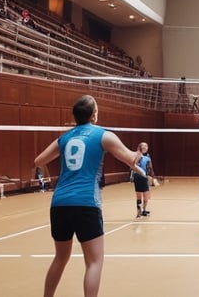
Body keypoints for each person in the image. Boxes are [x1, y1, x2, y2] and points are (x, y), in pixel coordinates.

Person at [34, 95, 146, 297]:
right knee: (94, 261)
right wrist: (137, 155)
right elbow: (131, 158)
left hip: (59, 204)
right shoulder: (104, 135)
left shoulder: (65, 137)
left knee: (60, 258)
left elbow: (39, 160)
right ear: (94, 115)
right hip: (86, 202)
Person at [133, 142, 155, 217]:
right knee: (139, 196)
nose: (145, 147)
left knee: (146, 197)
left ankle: (144, 210)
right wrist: (138, 157)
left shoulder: (148, 157)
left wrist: (153, 178)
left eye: (146, 146)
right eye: (143, 146)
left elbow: (150, 168)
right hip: (138, 177)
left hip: (145, 177)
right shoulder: (137, 155)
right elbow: (132, 166)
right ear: (140, 147)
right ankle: (139, 211)